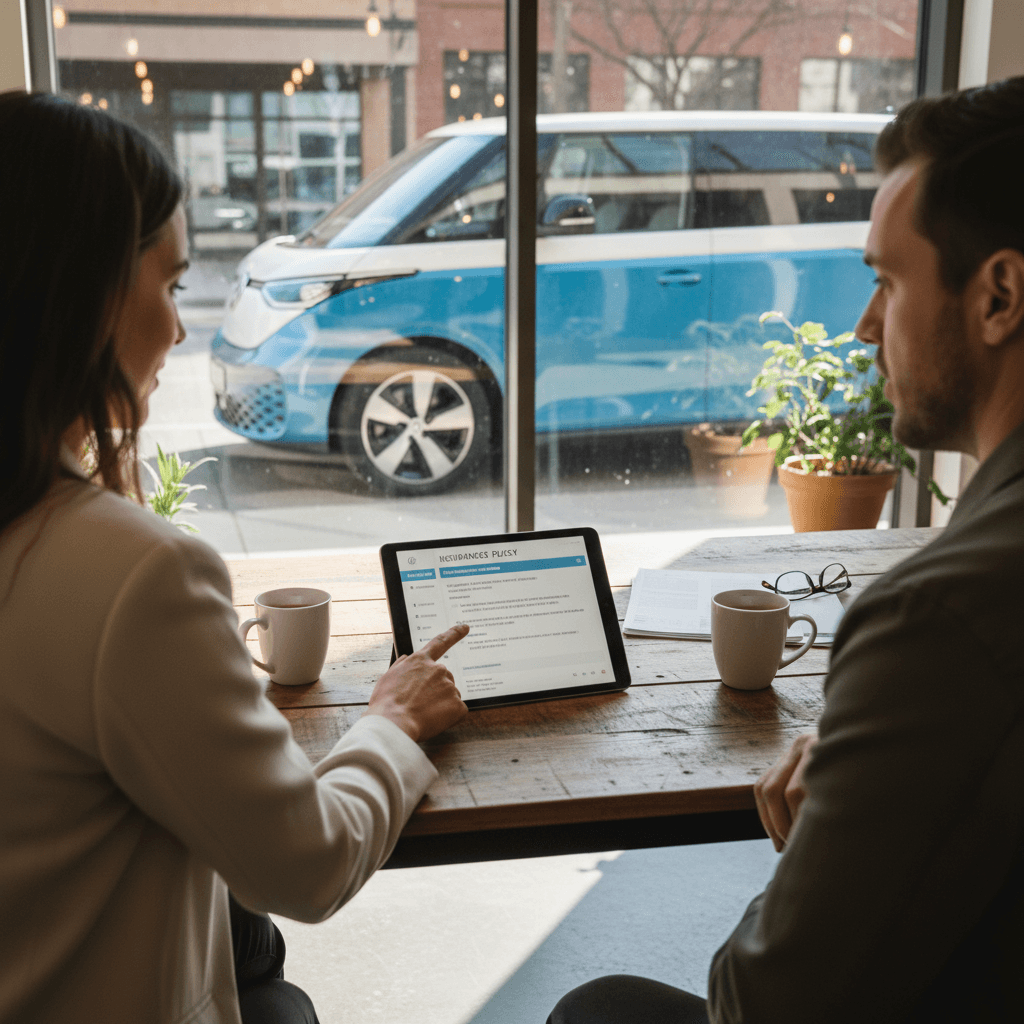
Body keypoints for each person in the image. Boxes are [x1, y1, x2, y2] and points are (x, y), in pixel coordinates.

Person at [548, 75, 1024, 1024]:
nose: (864, 325)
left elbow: (759, 1003)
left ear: (999, 295)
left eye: (887, 282)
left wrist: (831, 821)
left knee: (597, 1010)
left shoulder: (935, 618)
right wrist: (872, 761)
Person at [0, 91, 469, 1024]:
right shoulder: (131, 573)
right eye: (173, 286)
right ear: (86, 292)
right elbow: (310, 867)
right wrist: (390, 721)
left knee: (253, 941)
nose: (180, 329)